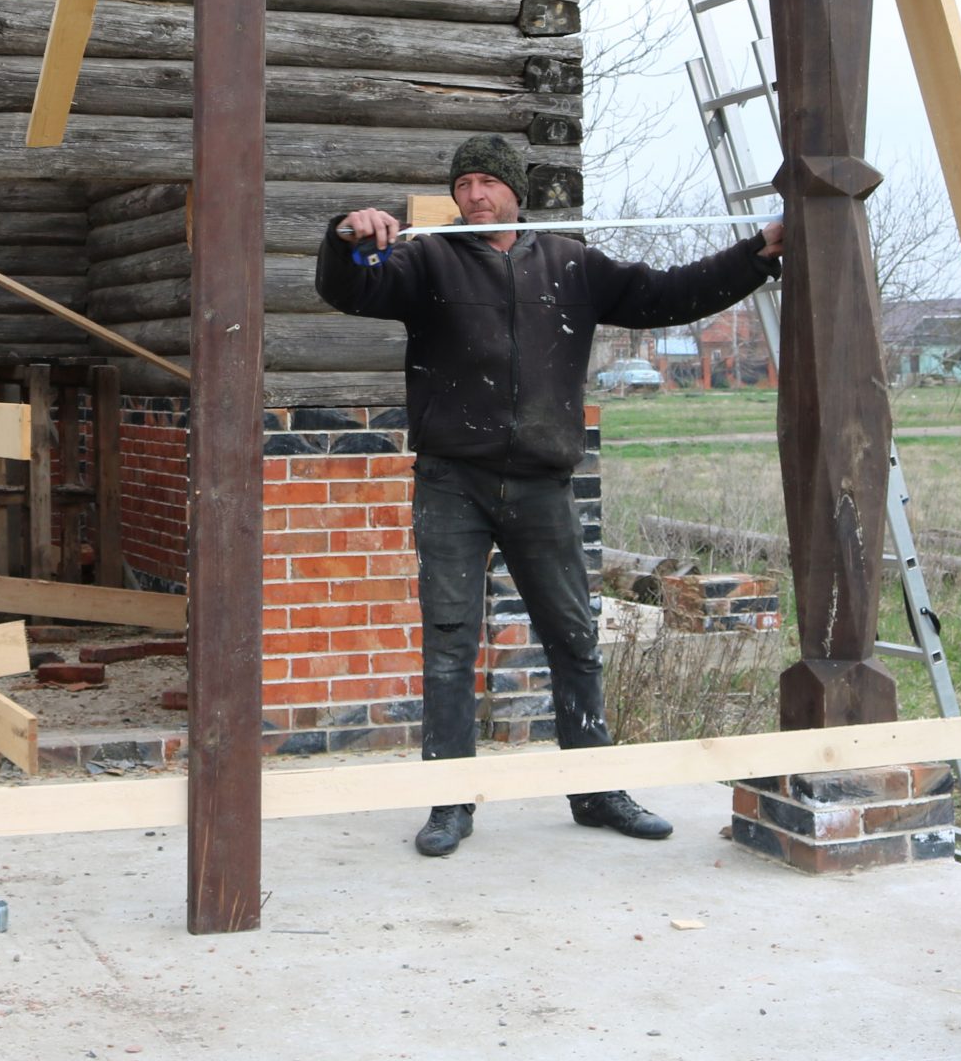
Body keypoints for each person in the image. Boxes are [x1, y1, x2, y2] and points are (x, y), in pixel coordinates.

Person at [316, 134, 784, 858]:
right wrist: (349, 236)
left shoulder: (570, 264)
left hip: (542, 485)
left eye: (487, 183)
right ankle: (449, 804)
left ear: (514, 192)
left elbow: (668, 295)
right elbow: (350, 289)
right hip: (452, 483)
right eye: (464, 183)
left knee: (573, 637)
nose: (475, 195)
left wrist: (761, 252)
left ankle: (596, 791)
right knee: (448, 645)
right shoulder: (424, 260)